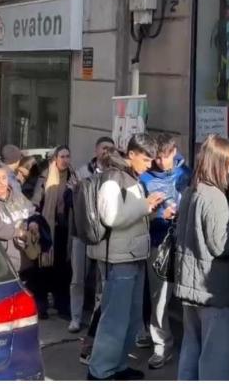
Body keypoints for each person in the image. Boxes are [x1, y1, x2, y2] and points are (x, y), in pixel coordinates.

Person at [173, 134, 229, 381]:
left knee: (192, 350)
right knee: (217, 360)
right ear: (219, 163)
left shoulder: (192, 190)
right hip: (215, 290)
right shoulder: (214, 197)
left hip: (191, 287)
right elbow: (222, 244)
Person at [86, 134, 165, 381]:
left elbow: (128, 216)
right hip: (118, 259)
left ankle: (117, 366)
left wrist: (150, 211)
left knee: (130, 319)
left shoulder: (130, 177)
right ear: (131, 154)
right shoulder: (114, 178)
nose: (149, 164)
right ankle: (100, 371)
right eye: (145, 159)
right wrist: (144, 205)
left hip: (131, 255)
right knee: (115, 319)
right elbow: (111, 216)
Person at [139, 133, 191, 370]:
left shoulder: (185, 173)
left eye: (164, 157)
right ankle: (162, 345)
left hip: (186, 242)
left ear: (174, 152)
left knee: (190, 296)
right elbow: (137, 212)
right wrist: (159, 214)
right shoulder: (144, 177)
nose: (160, 162)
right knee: (159, 298)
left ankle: (192, 343)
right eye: (156, 158)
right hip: (158, 241)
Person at [76, 138, 116, 357]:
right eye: (104, 149)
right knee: (102, 299)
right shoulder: (92, 179)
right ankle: (90, 347)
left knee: (103, 299)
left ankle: (93, 346)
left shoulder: (107, 179)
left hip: (106, 247)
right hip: (101, 245)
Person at [32, 146, 77, 322]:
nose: (65, 160)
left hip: (65, 228)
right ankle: (41, 306)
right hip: (47, 226)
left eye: (68, 156)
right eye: (62, 156)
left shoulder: (74, 177)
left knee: (63, 270)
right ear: (55, 159)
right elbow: (37, 200)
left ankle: (62, 305)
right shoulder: (46, 176)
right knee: (44, 268)